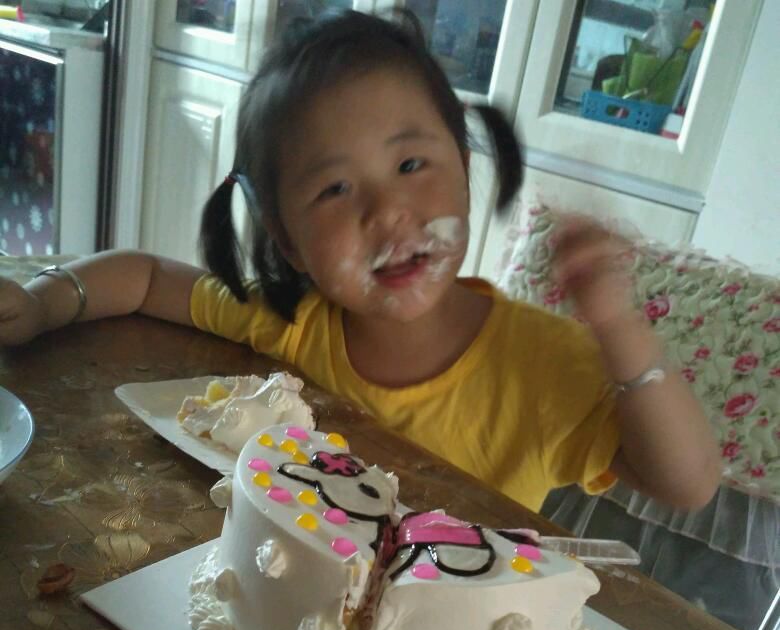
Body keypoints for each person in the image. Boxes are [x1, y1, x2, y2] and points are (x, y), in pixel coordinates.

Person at [0, 10, 720, 514]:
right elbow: (147, 277)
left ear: (464, 169)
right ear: (288, 241)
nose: (386, 212)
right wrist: (44, 300)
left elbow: (686, 484)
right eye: (335, 189)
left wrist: (619, 328)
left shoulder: (543, 363)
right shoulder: (293, 322)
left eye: (411, 164)